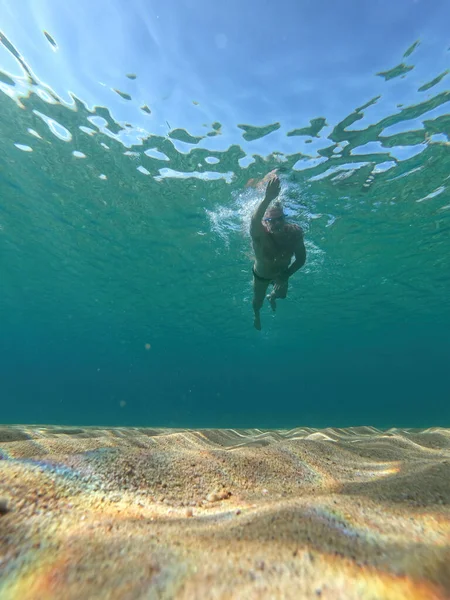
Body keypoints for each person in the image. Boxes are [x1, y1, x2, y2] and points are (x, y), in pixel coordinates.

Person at [250, 172, 306, 330]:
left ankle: (272, 297)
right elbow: (254, 220)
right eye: (271, 221)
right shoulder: (260, 235)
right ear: (265, 222)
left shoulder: (294, 233)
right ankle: (256, 314)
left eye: (279, 219)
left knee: (281, 295)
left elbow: (301, 259)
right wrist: (268, 198)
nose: (276, 224)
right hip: (261, 276)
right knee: (257, 302)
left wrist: (285, 275)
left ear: (285, 218)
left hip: (281, 274)